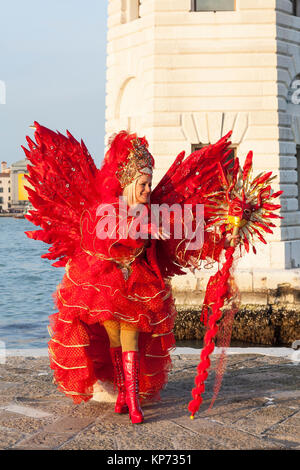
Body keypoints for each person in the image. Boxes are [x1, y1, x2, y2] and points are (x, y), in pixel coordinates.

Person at [24, 123, 280, 422]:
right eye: (142, 185)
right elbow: (101, 237)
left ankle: (132, 401)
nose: (147, 190)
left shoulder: (155, 211)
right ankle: (122, 393)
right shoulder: (105, 210)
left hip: (138, 288)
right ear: (128, 184)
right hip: (103, 288)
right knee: (115, 341)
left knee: (130, 339)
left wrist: (228, 227)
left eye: (149, 184)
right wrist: (143, 227)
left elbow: (189, 236)